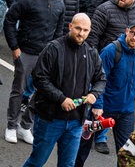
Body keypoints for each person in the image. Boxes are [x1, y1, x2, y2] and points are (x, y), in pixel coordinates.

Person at [23, 13, 106, 167]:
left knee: (68, 165)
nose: (81, 33)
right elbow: (39, 78)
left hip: (76, 122)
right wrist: (61, 98)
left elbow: (100, 79)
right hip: (50, 119)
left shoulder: (91, 53)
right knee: (36, 162)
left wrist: (94, 94)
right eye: (78, 28)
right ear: (70, 26)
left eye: (85, 30)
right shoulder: (53, 48)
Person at [4, 0, 65, 145]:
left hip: (46, 56)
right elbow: (9, 20)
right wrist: (14, 48)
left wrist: (54, 53)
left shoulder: (60, 3)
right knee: (19, 91)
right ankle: (11, 126)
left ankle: (25, 126)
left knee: (41, 93)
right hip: (26, 53)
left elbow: (59, 31)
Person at [75, 21, 135, 165]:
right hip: (103, 109)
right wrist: (97, 104)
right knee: (82, 148)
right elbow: (97, 79)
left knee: (127, 154)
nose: (134, 37)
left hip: (125, 112)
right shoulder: (111, 50)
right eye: (132, 33)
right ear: (127, 31)